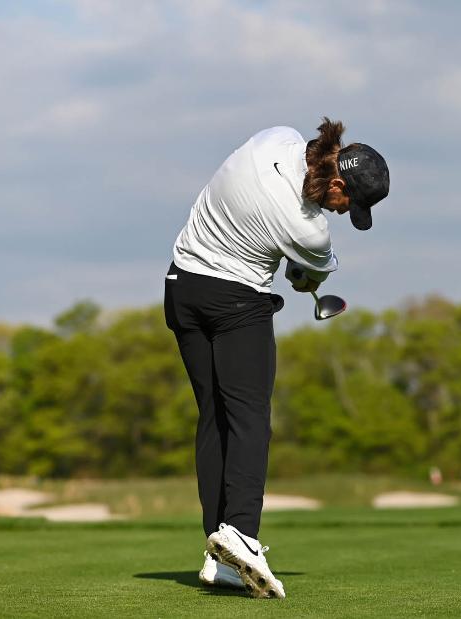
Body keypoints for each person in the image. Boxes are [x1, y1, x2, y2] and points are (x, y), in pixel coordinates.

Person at [163, 118, 390, 599]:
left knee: (215, 419)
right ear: (336, 183)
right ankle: (242, 532)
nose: (346, 213)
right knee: (250, 419)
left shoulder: (279, 136)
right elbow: (308, 275)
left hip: (181, 287)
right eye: (349, 203)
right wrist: (305, 279)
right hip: (234, 301)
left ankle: (219, 553)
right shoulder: (311, 233)